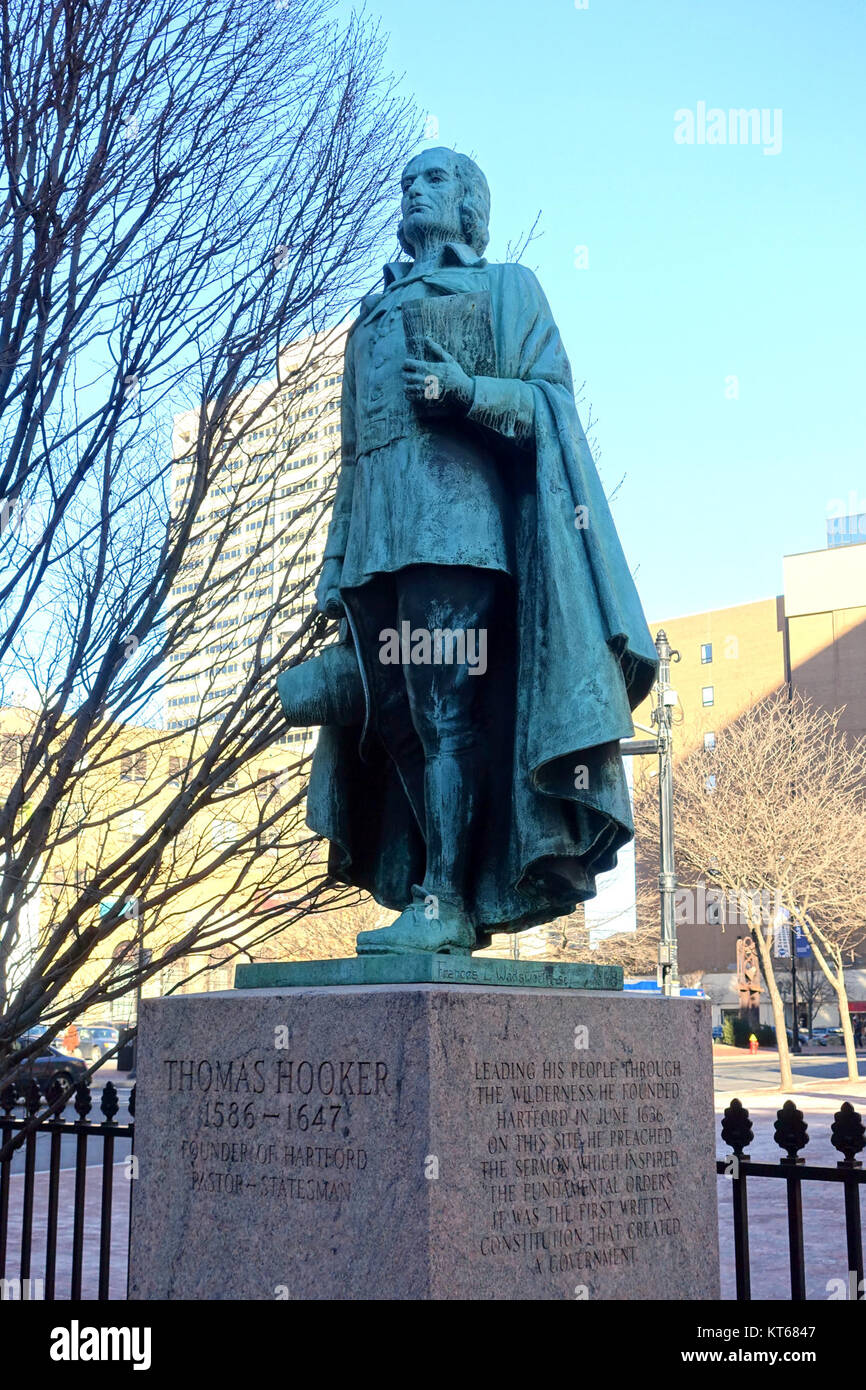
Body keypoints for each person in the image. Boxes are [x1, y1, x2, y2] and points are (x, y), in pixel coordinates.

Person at [281, 147, 657, 955]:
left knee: (445, 713)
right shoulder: (371, 317)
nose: (416, 189)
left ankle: (448, 897)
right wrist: (333, 569)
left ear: (469, 204)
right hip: (376, 546)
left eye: (435, 179)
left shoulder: (504, 287)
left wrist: (467, 393)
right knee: (393, 723)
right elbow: (350, 457)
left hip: (460, 534)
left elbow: (549, 404)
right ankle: (429, 884)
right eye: (407, 180)